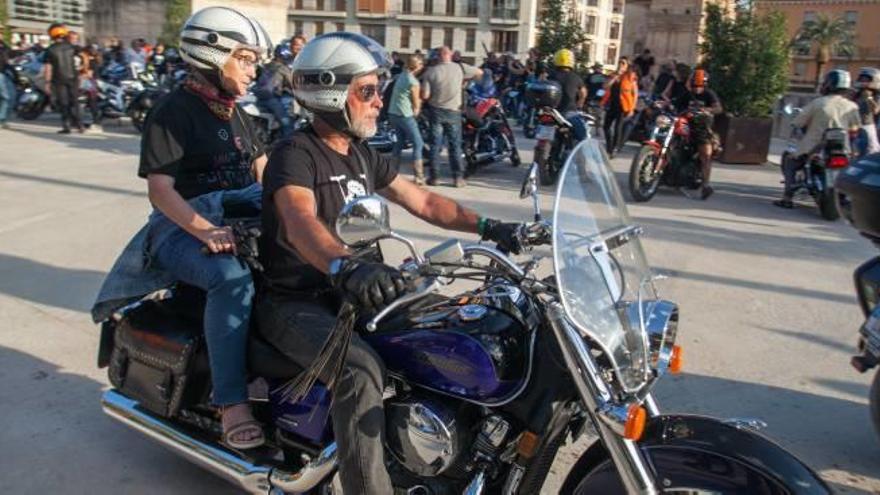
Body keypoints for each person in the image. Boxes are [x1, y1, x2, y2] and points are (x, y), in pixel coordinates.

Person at [255, 32, 526, 495]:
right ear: (331, 93)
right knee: (359, 372)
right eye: (368, 90)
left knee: (457, 328)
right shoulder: (294, 155)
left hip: (362, 290)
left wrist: (494, 227)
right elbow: (300, 222)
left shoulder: (361, 154)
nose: (379, 100)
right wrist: (346, 266)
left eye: (378, 89)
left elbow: (422, 201)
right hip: (299, 300)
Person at [138, 6, 272, 449]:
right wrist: (205, 232)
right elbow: (161, 190)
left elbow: (267, 178)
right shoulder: (172, 112)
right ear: (212, 54)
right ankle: (231, 400)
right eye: (247, 58)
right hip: (179, 231)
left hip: (237, 224)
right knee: (231, 279)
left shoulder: (240, 116)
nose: (254, 70)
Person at [774, 69, 860, 209]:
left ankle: (787, 197)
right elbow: (855, 130)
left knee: (789, 160)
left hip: (814, 147)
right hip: (843, 149)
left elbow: (798, 122)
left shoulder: (818, 103)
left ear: (828, 84)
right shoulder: (852, 106)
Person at [420, 45, 482, 187]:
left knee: (435, 145)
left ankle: (434, 177)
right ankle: (458, 178)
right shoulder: (461, 68)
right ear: (451, 54)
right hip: (454, 111)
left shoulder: (431, 72)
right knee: (454, 146)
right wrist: (466, 81)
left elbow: (425, 95)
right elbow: (480, 72)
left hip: (436, 111)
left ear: (438, 56)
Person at [677, 68, 722, 200]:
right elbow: (675, 104)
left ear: (705, 85)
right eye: (695, 85)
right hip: (685, 127)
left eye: (700, 86)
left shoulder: (709, 94)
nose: (697, 88)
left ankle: (706, 185)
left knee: (706, 155)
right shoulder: (687, 94)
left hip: (701, 128)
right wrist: (665, 104)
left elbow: (718, 108)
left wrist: (706, 110)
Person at [388, 53, 426, 184]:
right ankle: (419, 177)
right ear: (417, 66)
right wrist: (418, 110)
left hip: (393, 113)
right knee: (418, 143)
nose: (422, 66)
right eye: (421, 64)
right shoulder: (413, 81)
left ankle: (392, 172)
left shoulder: (402, 76)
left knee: (399, 142)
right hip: (405, 114)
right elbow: (416, 103)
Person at [44, 23, 84, 134]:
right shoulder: (72, 47)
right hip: (73, 77)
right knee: (75, 102)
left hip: (58, 79)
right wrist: (81, 71)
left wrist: (47, 82)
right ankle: (80, 125)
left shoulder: (50, 50)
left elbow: (48, 67)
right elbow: (82, 59)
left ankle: (67, 126)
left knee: (63, 102)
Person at [254, 44, 295, 137]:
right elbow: (292, 84)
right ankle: (288, 144)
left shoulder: (266, 65)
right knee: (287, 123)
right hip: (271, 99)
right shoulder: (282, 68)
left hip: (258, 98)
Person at [601, 57, 638, 156]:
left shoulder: (631, 76)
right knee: (606, 127)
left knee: (618, 127)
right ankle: (609, 145)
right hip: (612, 104)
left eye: (623, 63)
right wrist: (616, 76)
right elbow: (605, 86)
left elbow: (635, 94)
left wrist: (632, 109)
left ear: (627, 66)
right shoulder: (613, 75)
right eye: (619, 62)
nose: (620, 65)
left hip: (623, 106)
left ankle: (614, 149)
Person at [549, 48, 588, 141]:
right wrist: (579, 105)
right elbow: (583, 93)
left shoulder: (551, 76)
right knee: (583, 136)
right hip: (568, 112)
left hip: (551, 112)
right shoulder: (576, 77)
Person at [854, 67, 880, 157]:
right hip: (855, 125)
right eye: (862, 79)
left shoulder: (877, 95)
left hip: (868, 125)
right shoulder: (857, 94)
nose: (863, 82)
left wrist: (869, 98)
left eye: (866, 80)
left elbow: (876, 110)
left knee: (871, 149)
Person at [0, 39, 14, 129]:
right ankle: (2, 119)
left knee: (10, 96)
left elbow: (11, 53)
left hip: (4, 72)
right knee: (6, 96)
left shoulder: (3, 46)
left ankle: (3, 119)